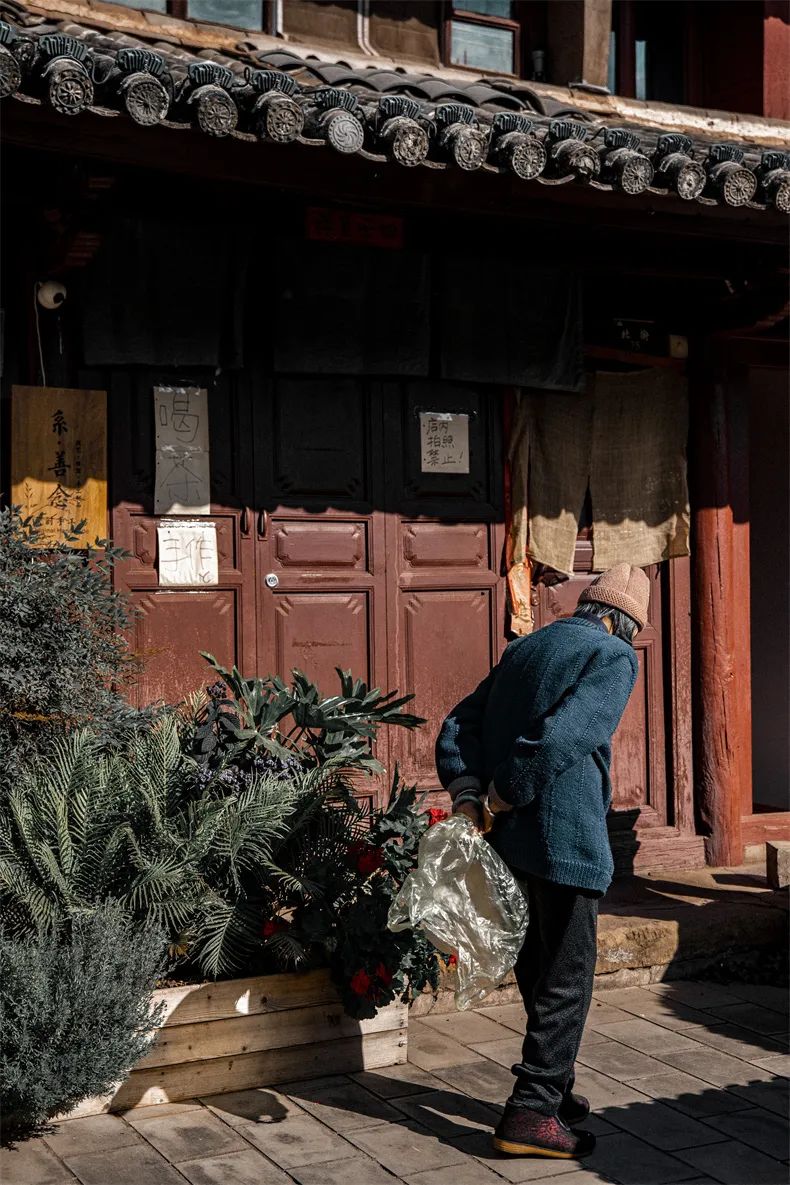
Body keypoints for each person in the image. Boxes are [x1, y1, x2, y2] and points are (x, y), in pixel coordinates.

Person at [435, 563, 650, 1160]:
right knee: (568, 975)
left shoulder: (527, 646)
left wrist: (469, 791)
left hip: (510, 839)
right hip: (564, 839)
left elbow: (458, 724)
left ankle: (553, 1086)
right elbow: (564, 738)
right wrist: (505, 788)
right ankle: (531, 1111)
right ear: (625, 622)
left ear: (587, 604)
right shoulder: (612, 655)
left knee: (537, 963)